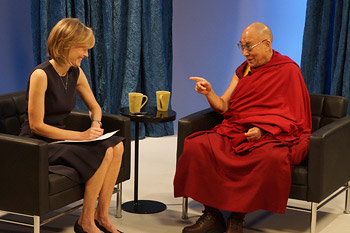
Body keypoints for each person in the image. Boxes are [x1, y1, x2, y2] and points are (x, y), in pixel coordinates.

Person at [173, 22, 312, 233]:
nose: (245, 52)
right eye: (242, 46)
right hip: (236, 129)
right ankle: (212, 214)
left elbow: (294, 118)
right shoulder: (244, 69)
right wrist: (209, 93)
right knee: (197, 145)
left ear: (267, 44)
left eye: (249, 46)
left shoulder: (288, 70)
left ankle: (237, 218)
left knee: (270, 158)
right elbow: (224, 106)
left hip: (269, 135)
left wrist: (264, 130)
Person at [19, 18, 124, 233]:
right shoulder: (41, 75)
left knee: (118, 146)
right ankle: (86, 222)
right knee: (102, 152)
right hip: (37, 144)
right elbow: (36, 126)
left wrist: (95, 124)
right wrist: (83, 136)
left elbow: (95, 107)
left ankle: (101, 216)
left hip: (62, 137)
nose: (86, 54)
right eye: (83, 48)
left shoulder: (75, 72)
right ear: (65, 44)